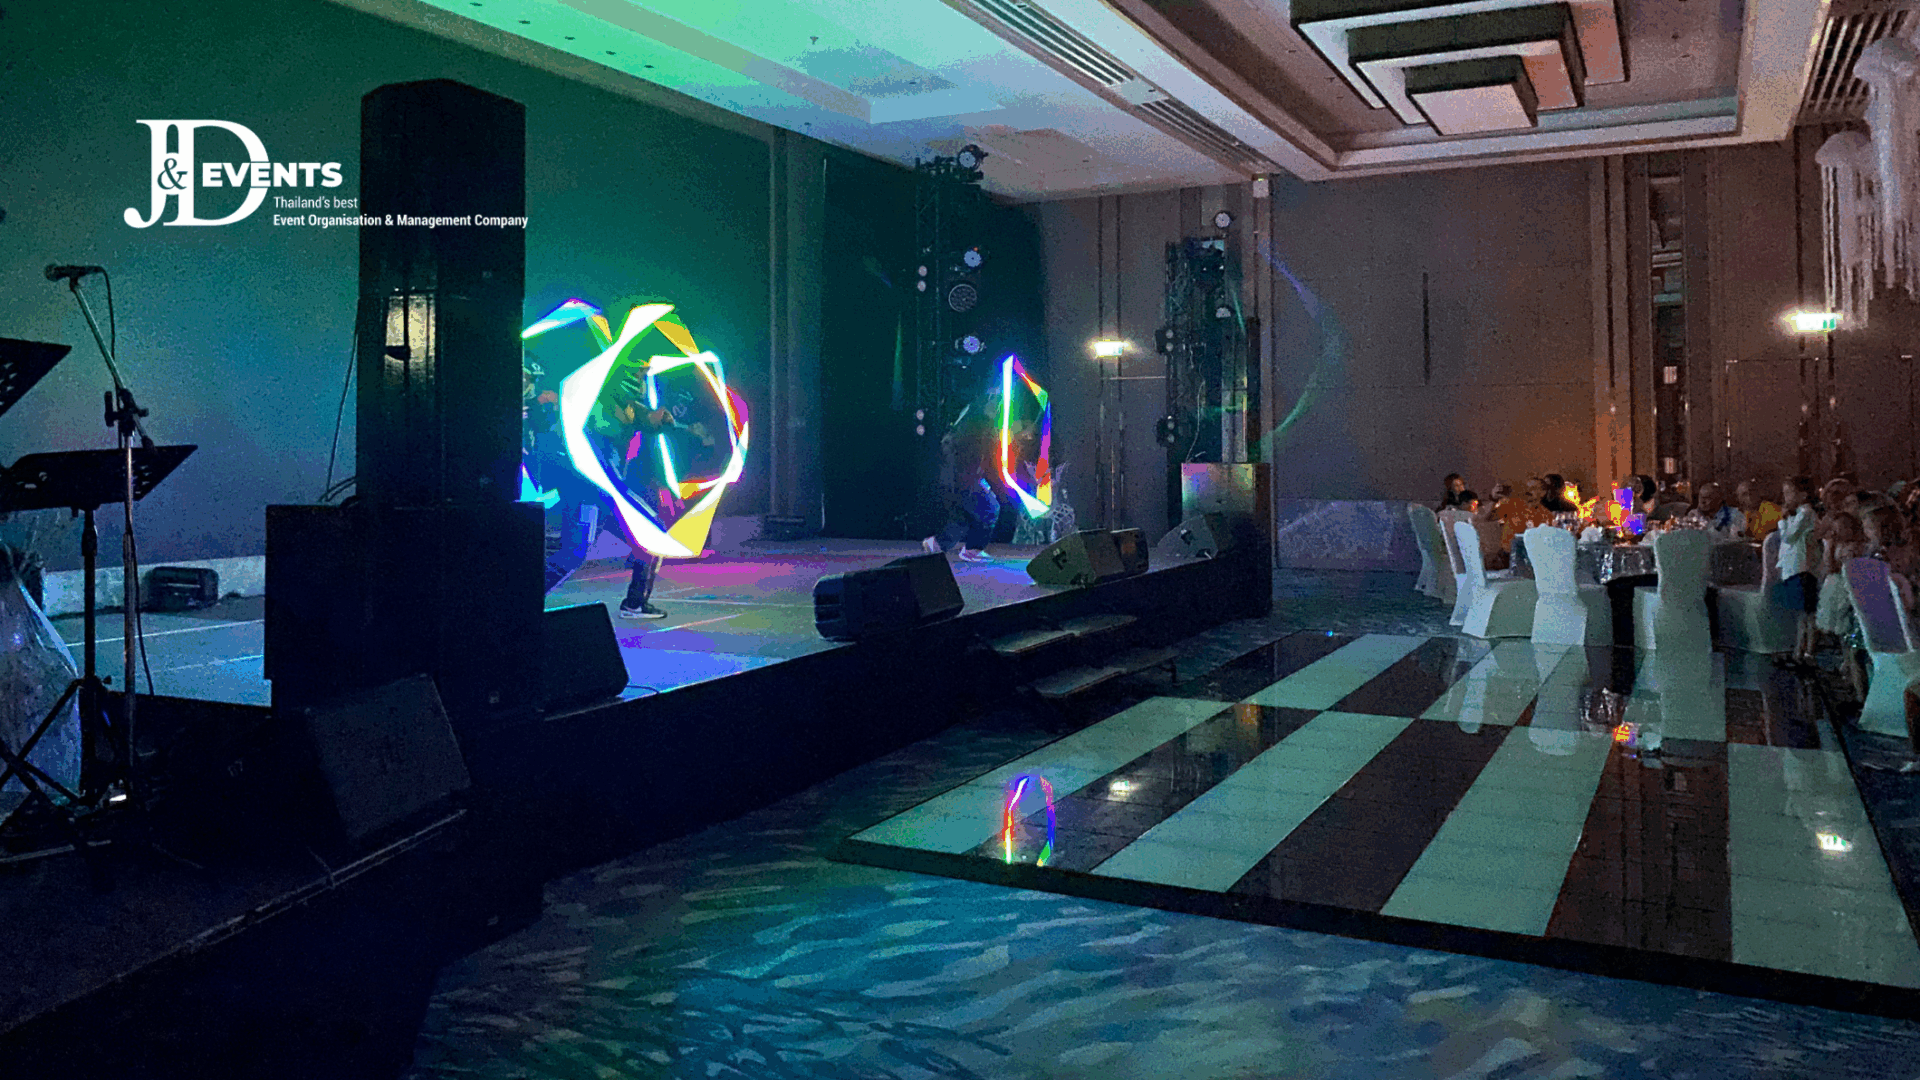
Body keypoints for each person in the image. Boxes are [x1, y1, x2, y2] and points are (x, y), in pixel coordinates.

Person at [1774, 475, 1821, 666]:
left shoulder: (1805, 513)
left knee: (1807, 614)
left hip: (1802, 568)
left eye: (1789, 493)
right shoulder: (1799, 514)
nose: (1785, 497)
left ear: (1803, 495)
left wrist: (1783, 520)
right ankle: (1799, 651)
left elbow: (1789, 536)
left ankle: (1807, 652)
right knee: (1801, 615)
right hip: (1793, 568)